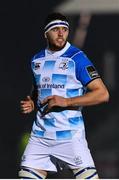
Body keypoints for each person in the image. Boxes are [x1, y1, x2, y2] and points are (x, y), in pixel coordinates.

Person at [19, 12, 109, 179]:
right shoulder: (36, 60)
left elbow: (102, 94)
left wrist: (67, 101)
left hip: (70, 137)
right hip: (40, 138)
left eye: (64, 29)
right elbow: (38, 89)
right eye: (55, 29)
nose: (61, 34)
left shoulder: (77, 58)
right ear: (45, 33)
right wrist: (32, 101)